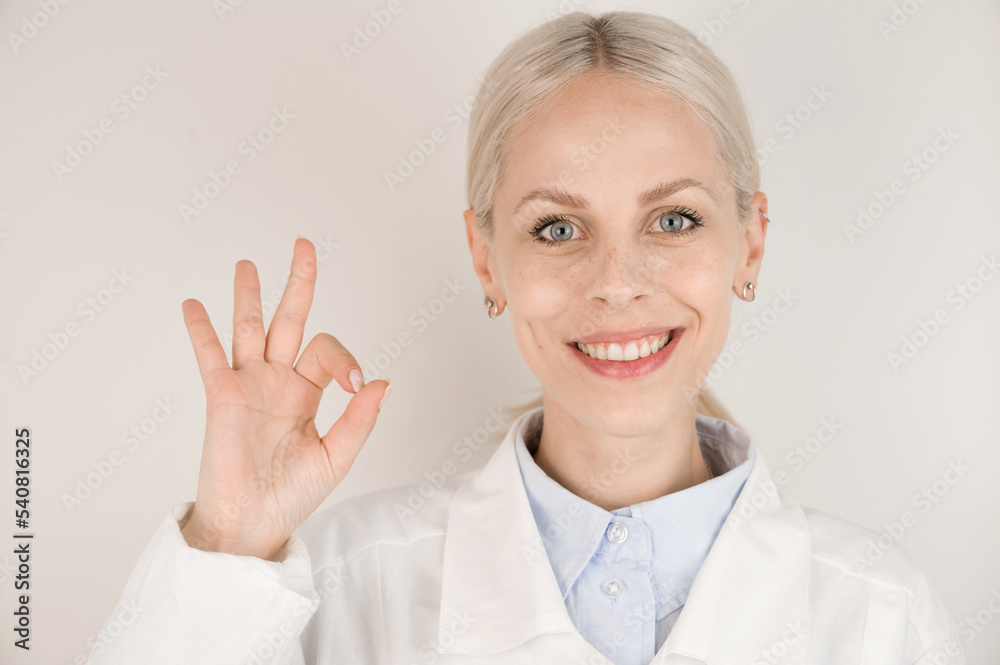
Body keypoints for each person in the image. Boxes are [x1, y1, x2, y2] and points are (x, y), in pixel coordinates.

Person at [86, 10, 966, 665]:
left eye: (673, 218)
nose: (617, 281)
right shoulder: (343, 587)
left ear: (752, 242)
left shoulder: (880, 619)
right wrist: (227, 542)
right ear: (484, 258)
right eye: (556, 228)